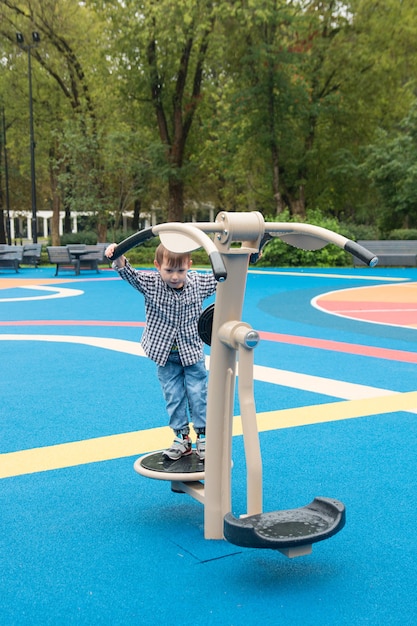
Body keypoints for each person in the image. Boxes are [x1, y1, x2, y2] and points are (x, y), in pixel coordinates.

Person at [105, 241, 217, 461]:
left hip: (191, 352)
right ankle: (182, 438)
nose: (175, 276)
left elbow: (225, 276)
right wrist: (116, 254)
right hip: (165, 355)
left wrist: (248, 257)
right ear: (157, 265)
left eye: (181, 270)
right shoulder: (152, 283)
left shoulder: (198, 282)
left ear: (189, 265)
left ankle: (203, 436)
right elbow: (128, 273)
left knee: (198, 394)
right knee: (174, 396)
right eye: (169, 270)